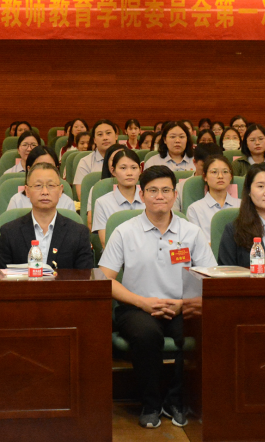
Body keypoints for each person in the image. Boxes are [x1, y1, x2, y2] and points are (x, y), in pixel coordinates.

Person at [98, 166, 216, 429]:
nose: (159, 196)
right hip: (136, 307)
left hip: (182, 306)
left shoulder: (191, 232)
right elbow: (105, 278)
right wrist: (141, 302)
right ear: (141, 194)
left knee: (199, 331)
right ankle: (150, 404)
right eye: (152, 190)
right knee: (147, 335)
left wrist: (182, 304)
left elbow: (209, 277)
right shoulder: (125, 231)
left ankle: (175, 400)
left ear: (175, 195)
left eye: (165, 190)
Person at [0, 163, 94, 270]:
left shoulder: (79, 233)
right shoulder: (9, 232)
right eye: (38, 186)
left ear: (60, 190)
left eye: (51, 186)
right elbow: (0, 277)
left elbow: (85, 277)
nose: (45, 192)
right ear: (27, 191)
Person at [93, 148, 144, 244]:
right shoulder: (102, 203)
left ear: (140, 170)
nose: (129, 173)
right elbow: (105, 242)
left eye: (134, 168)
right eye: (123, 168)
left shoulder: (150, 200)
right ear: (113, 171)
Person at [186, 154, 239, 244]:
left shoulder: (242, 206)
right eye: (214, 172)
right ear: (205, 177)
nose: (220, 176)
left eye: (225, 172)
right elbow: (195, 244)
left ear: (230, 176)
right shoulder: (195, 209)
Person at [7, 147, 77, 212]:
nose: (44, 171)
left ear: (57, 169)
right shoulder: (17, 201)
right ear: (29, 169)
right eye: (38, 166)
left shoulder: (67, 203)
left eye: (49, 166)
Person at [74, 120, 119, 197]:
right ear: (94, 140)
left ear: (116, 136)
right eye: (100, 134)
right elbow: (82, 196)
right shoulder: (85, 162)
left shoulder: (129, 159)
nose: (105, 138)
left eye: (108, 133)